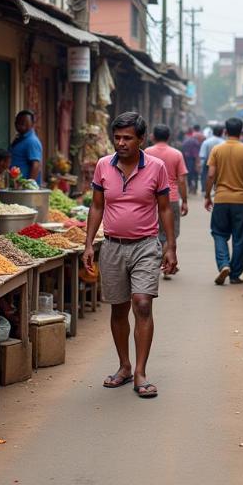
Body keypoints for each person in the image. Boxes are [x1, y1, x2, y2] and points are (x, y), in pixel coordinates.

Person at [82, 112, 177, 399]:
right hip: (111, 246)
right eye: (117, 137)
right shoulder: (103, 166)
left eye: (127, 138)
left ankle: (140, 372)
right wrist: (89, 244)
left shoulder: (156, 167)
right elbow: (97, 207)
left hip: (146, 246)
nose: (121, 143)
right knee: (118, 308)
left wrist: (170, 246)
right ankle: (123, 366)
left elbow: (164, 209)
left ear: (141, 140)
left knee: (143, 304)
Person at [204, 117, 243, 285]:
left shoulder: (217, 150)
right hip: (241, 201)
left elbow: (211, 174)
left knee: (219, 233)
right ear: (241, 132)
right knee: (240, 238)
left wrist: (207, 195)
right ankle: (235, 275)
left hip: (220, 199)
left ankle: (223, 264)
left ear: (226, 132)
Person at [145, 124, 188, 279]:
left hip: (152, 198)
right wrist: (185, 201)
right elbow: (181, 180)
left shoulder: (147, 153)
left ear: (153, 137)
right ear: (169, 137)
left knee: (155, 232)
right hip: (172, 198)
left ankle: (160, 263)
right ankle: (166, 264)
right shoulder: (176, 154)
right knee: (171, 233)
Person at [10, 110, 43, 184]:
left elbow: (35, 165)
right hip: (17, 185)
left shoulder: (32, 141)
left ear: (32, 124)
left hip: (24, 188)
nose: (20, 125)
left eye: (24, 123)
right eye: (18, 122)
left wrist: (28, 185)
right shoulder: (19, 139)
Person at [199, 124, 225, 192]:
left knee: (205, 176)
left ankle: (205, 190)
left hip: (207, 163)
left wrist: (201, 165)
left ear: (213, 132)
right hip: (221, 163)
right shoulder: (224, 143)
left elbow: (202, 155)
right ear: (222, 132)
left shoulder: (206, 142)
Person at [181, 128, 201, 194]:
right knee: (195, 173)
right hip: (195, 159)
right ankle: (195, 188)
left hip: (187, 159)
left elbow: (183, 151)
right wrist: (198, 161)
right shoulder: (195, 141)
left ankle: (190, 187)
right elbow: (197, 152)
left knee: (189, 174)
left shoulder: (185, 140)